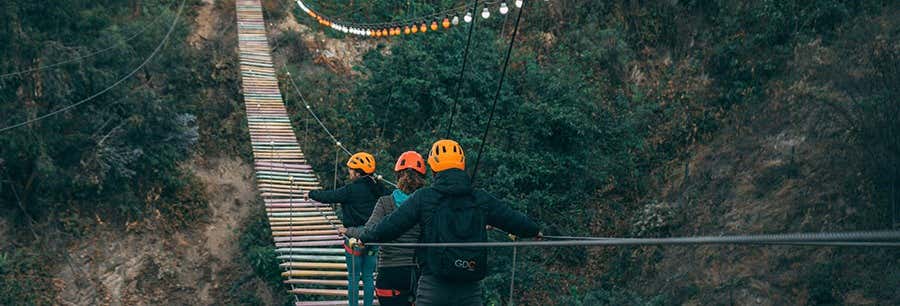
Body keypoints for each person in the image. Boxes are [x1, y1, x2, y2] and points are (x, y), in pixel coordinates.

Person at [355, 140, 541, 306]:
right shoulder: (480, 199)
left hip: (433, 287)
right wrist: (533, 231)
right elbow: (512, 219)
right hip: (470, 288)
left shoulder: (424, 198)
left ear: (434, 168)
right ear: (462, 165)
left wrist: (366, 237)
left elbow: (392, 226)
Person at [343, 151, 427, 306]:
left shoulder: (385, 203)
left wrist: (348, 231)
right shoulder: (427, 204)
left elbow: (368, 232)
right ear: (422, 179)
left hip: (389, 274)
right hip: (420, 276)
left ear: (397, 177)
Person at [308, 151, 389, 306]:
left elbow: (329, 196)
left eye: (351, 169)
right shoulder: (380, 188)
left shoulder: (350, 190)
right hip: (373, 238)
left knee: (353, 277)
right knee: (368, 276)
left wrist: (311, 193)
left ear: (358, 172)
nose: (349, 171)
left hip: (353, 239)